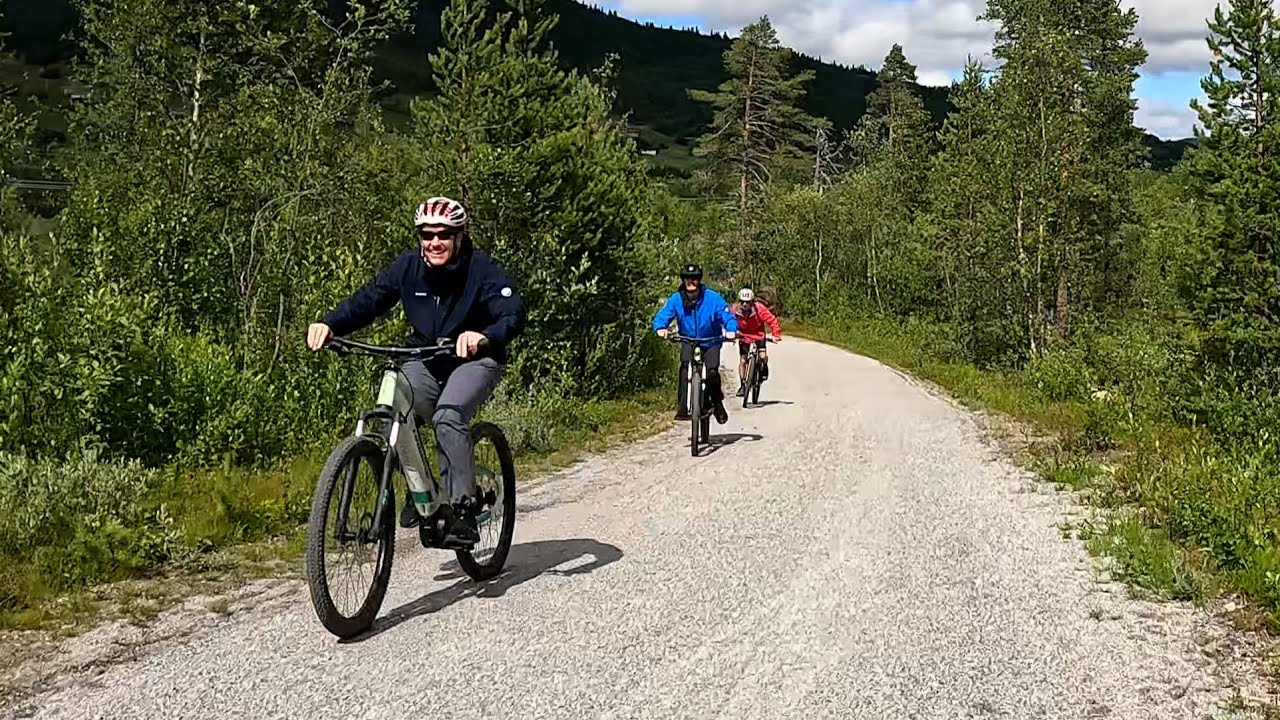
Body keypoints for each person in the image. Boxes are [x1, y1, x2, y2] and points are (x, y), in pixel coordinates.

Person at [305, 196, 524, 545]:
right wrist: (330, 324)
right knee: (395, 404)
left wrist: (483, 336)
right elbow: (369, 299)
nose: (434, 242)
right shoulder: (408, 267)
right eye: (426, 235)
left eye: (443, 234)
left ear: (459, 236)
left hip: (475, 359)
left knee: (448, 416)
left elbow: (512, 312)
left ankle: (463, 511)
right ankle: (418, 487)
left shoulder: (481, 269)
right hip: (426, 357)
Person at [652, 264, 737, 424]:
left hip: (711, 340)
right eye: (687, 279)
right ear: (683, 281)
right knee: (685, 367)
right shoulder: (677, 299)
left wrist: (731, 329)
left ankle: (717, 403)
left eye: (695, 279)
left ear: (699, 280)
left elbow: (727, 316)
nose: (691, 282)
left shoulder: (712, 298)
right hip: (688, 339)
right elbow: (663, 315)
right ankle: (683, 407)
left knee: (712, 372)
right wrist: (661, 328)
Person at [732, 288, 782, 396]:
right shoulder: (735, 310)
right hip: (743, 336)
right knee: (743, 361)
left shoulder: (759, 309)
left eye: (748, 302)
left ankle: (763, 367)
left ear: (752, 302)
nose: (745, 304)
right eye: (742, 302)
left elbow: (771, 320)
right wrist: (729, 333)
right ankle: (743, 385)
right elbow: (727, 320)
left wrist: (776, 334)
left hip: (758, 335)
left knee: (762, 356)